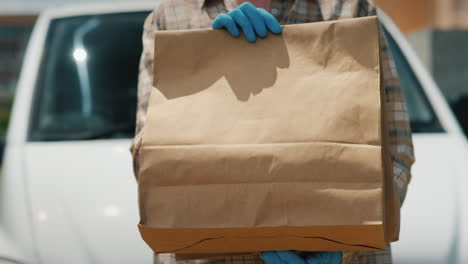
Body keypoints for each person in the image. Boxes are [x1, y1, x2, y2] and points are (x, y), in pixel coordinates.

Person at [130, 0, 415, 263]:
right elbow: (149, 161)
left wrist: (345, 242)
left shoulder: (350, 9)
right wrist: (207, 72)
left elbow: (395, 151)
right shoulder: (169, 18)